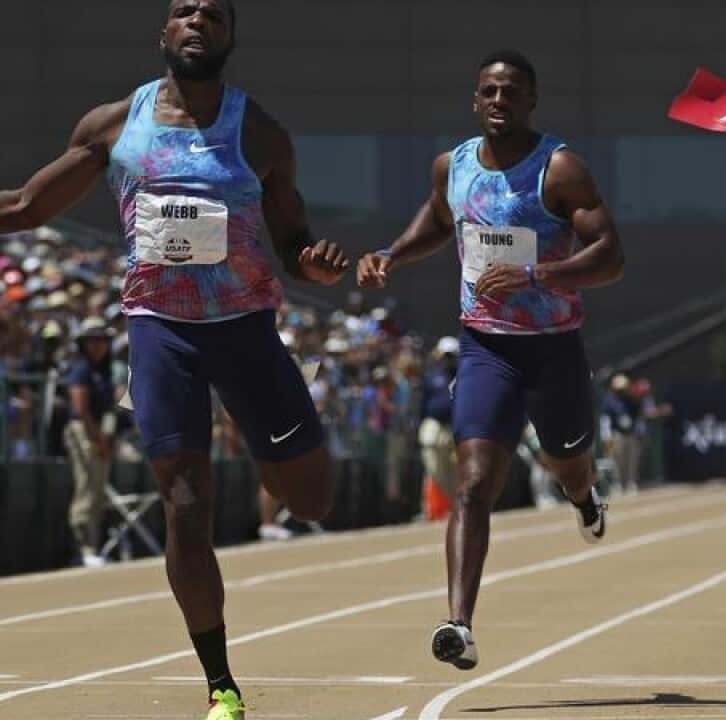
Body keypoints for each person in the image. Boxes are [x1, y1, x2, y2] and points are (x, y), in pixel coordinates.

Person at [0, 3, 351, 718]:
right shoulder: (111, 127)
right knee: (184, 506)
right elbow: (30, 206)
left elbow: (294, 241)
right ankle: (221, 683)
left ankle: (265, 442)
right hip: (161, 331)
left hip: (246, 328)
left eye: (214, 14)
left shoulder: (259, 135)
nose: (198, 21)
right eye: (185, 11)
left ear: (229, 37)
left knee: (312, 501)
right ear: (164, 34)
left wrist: (313, 267)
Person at [356, 49, 622, 671]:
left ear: (531, 100)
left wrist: (540, 273)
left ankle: (584, 499)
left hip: (553, 348)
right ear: (475, 101)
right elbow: (440, 218)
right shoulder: (453, 165)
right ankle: (459, 624)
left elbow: (610, 256)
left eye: (512, 92)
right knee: (474, 483)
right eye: (489, 92)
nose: (499, 101)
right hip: (486, 345)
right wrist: (392, 254)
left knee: (569, 466)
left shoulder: (559, 171)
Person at [64, 318, 116, 567]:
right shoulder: (81, 369)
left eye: (101, 340)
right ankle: (83, 548)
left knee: (97, 491)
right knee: (86, 489)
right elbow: (80, 409)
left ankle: (93, 546)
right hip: (83, 431)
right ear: (83, 344)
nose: (97, 345)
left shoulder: (105, 370)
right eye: (91, 340)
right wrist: (97, 440)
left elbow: (114, 405)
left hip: (100, 431)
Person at [419, 336, 460, 515]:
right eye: (445, 355)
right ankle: (435, 508)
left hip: (455, 427)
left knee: (455, 471)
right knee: (434, 468)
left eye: (451, 355)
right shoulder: (430, 376)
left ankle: (454, 507)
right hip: (434, 426)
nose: (448, 359)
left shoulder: (464, 376)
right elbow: (421, 404)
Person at [601, 373, 642, 494]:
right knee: (617, 460)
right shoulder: (609, 400)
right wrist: (607, 437)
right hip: (616, 434)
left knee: (632, 460)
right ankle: (618, 484)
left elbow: (638, 415)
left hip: (631, 433)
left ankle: (631, 483)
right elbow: (605, 419)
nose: (621, 391)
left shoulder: (632, 399)